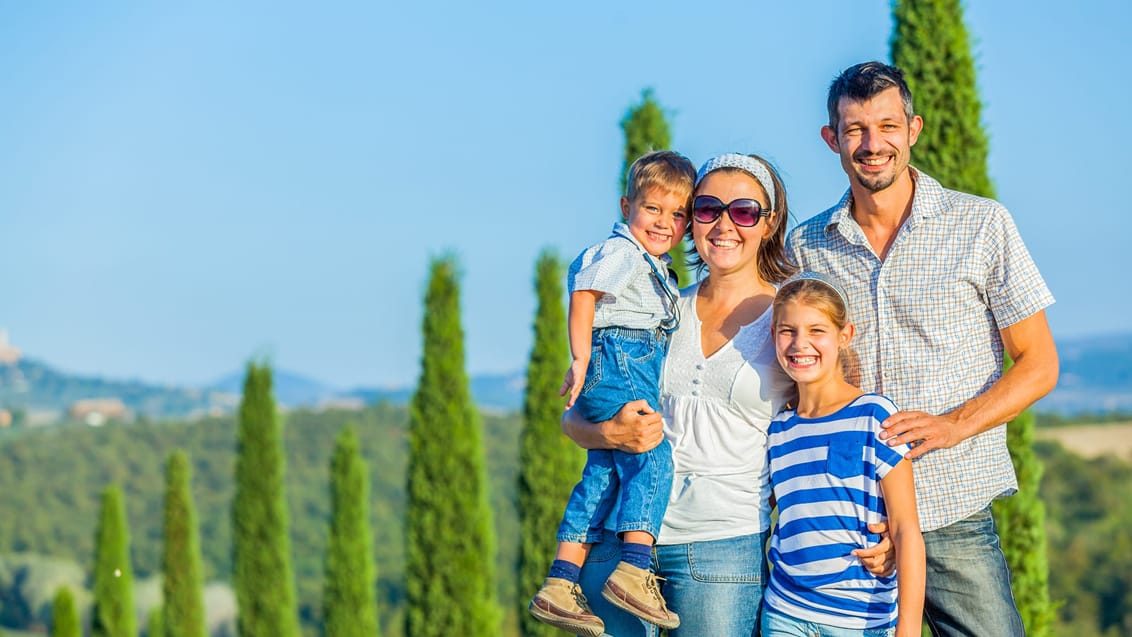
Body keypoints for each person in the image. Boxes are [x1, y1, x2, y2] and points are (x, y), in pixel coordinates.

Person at [562, 153, 893, 637]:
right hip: (619, 543)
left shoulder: (793, 320)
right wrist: (608, 432)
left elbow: (841, 425)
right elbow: (573, 418)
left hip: (722, 549)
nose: (723, 224)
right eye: (706, 208)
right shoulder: (654, 305)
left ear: (768, 221)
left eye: (743, 211)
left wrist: (878, 520)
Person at [787, 61, 1059, 636]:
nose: (872, 143)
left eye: (887, 126)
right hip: (850, 523)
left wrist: (954, 425)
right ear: (831, 139)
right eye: (855, 129)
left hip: (949, 506)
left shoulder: (981, 224)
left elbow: (1039, 364)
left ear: (914, 129)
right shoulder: (807, 246)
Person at [528, 150, 694, 636]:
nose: (665, 223)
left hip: (622, 362)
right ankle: (636, 568)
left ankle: (560, 582)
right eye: (653, 209)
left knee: (602, 473)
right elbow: (584, 294)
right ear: (627, 207)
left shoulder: (651, 263)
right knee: (652, 452)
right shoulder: (621, 253)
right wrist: (580, 357)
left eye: (678, 213)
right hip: (620, 361)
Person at [762, 272, 924, 637]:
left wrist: (909, 628)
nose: (800, 343)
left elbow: (906, 529)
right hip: (785, 614)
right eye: (788, 331)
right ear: (773, 336)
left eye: (816, 330)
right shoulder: (779, 430)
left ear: (844, 335)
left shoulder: (874, 416)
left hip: (860, 621)